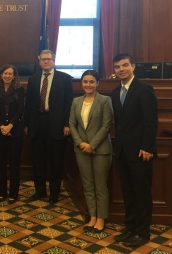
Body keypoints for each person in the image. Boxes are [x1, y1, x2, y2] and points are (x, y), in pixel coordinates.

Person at [110, 54, 158, 248]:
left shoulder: (144, 89)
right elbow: (120, 124)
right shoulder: (115, 92)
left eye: (124, 65)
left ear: (133, 66)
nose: (121, 69)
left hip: (140, 152)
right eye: (117, 67)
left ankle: (142, 232)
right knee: (128, 192)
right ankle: (130, 228)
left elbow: (151, 121)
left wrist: (147, 146)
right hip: (122, 151)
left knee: (142, 193)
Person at [24, 49, 73, 204]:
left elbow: (68, 103)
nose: (46, 61)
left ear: (54, 60)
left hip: (57, 125)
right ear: (39, 61)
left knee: (56, 162)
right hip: (37, 124)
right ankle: (40, 191)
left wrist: (67, 124)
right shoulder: (33, 79)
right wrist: (27, 124)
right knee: (38, 160)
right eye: (43, 59)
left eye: (49, 59)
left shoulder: (64, 79)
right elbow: (29, 105)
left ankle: (54, 194)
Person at [69, 70, 113, 233]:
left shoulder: (105, 100)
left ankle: (101, 219)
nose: (88, 85)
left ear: (97, 83)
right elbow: (72, 124)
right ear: (82, 84)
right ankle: (92, 217)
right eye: (85, 82)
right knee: (87, 185)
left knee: (100, 186)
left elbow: (106, 125)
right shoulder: (76, 102)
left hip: (100, 150)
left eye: (91, 82)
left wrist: (91, 145)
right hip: (81, 149)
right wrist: (81, 143)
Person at [0, 65, 25, 204]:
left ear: (14, 76)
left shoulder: (19, 89)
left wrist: (10, 126)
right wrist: (2, 126)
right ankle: (1, 193)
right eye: (5, 73)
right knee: (0, 164)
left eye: (10, 73)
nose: (7, 76)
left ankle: (13, 194)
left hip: (15, 132)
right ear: (1, 75)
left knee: (14, 164)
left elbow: (20, 110)